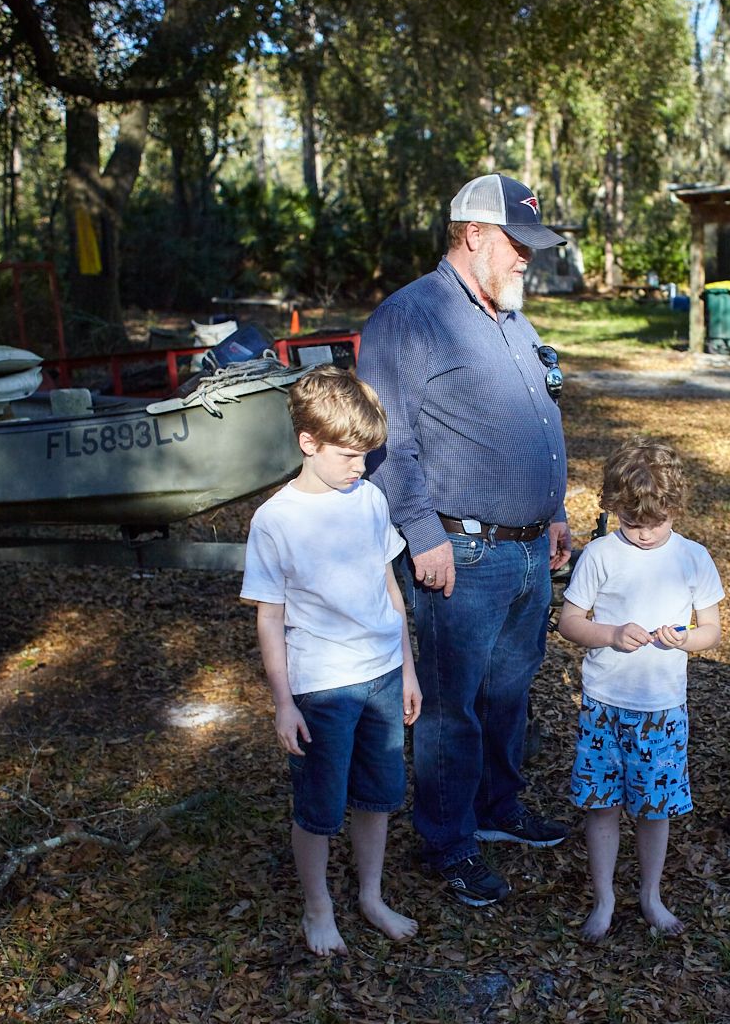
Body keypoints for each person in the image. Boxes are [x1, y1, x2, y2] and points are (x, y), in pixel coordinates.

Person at [358, 173, 573, 907]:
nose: (527, 260)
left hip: (527, 548)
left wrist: (555, 514)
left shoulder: (514, 319)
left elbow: (539, 421)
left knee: (509, 692)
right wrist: (420, 534)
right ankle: (448, 841)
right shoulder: (410, 316)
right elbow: (388, 439)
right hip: (460, 550)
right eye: (518, 244)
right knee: (453, 706)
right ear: (473, 234)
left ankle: (496, 809)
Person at [240, 365, 422, 955]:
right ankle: (318, 909)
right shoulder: (275, 521)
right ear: (307, 443)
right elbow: (269, 616)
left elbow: (390, 588)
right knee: (320, 807)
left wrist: (409, 669)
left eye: (368, 454)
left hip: (383, 677)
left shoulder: (368, 498)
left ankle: (370, 895)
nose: (361, 466)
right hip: (322, 689)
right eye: (349, 454)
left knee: (378, 795)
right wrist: (283, 702)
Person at [557, 438, 723, 940]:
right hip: (605, 706)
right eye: (632, 522)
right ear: (613, 509)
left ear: (675, 508)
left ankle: (650, 895)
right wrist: (608, 634)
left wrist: (685, 640)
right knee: (603, 804)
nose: (646, 533)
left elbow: (712, 632)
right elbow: (568, 622)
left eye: (657, 522)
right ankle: (604, 899)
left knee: (654, 810)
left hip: (661, 710)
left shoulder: (693, 558)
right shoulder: (602, 556)